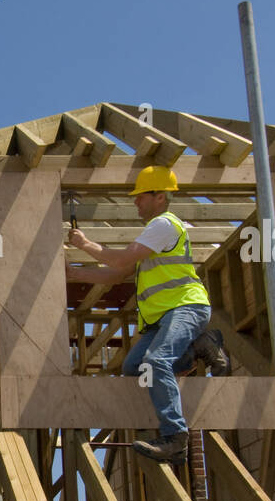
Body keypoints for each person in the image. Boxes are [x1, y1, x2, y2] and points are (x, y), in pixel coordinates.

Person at [65, 165, 229, 463]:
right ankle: (199, 346)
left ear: (161, 196)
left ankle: (176, 438)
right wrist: (73, 274)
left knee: (156, 361)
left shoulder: (164, 225)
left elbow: (121, 258)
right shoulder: (153, 238)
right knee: (133, 368)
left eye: (141, 196)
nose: (136, 202)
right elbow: (116, 274)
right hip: (161, 320)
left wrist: (85, 244)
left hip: (185, 307)